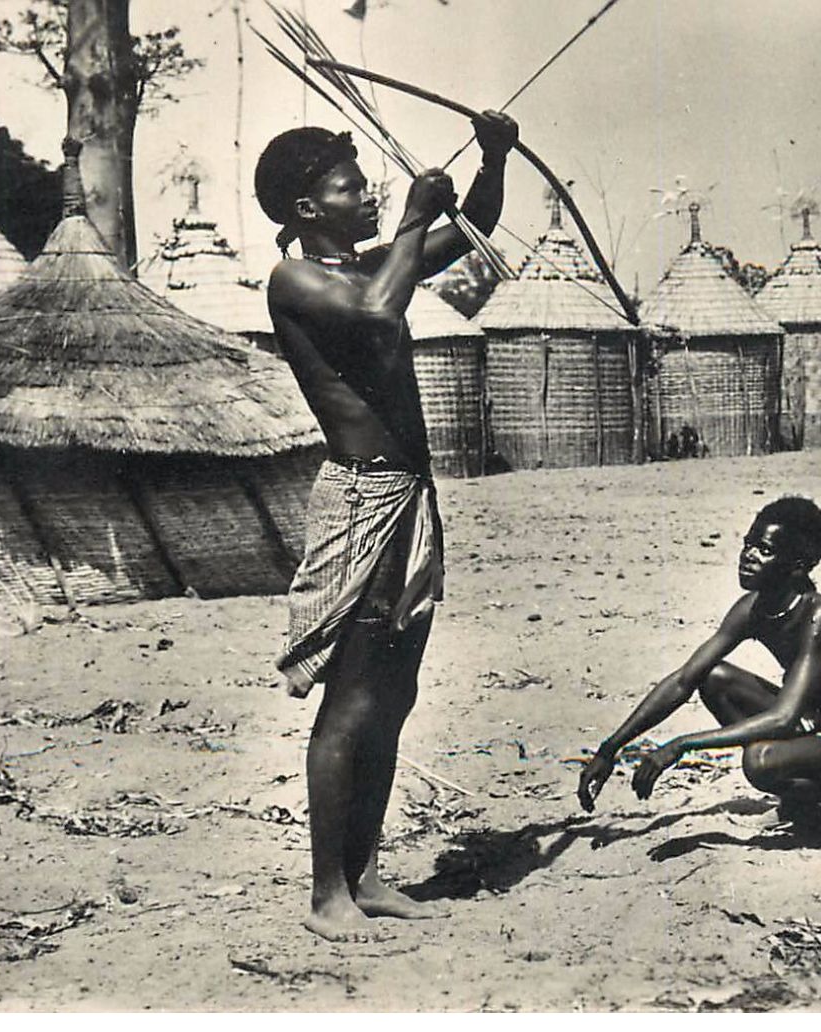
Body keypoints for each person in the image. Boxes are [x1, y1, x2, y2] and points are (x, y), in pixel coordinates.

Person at [254, 112, 518, 942]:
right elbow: (377, 313)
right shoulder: (295, 282)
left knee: (393, 697)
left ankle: (365, 875)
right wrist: (409, 216)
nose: (363, 193)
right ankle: (325, 891)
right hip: (364, 502)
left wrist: (492, 158)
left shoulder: (366, 265)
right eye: (345, 186)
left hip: (408, 497)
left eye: (364, 182)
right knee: (352, 701)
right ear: (304, 208)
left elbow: (472, 230)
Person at [577, 497, 821, 831]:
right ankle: (812, 799)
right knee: (714, 679)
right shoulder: (752, 608)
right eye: (748, 544)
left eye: (764, 550)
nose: (748, 556)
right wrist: (611, 748)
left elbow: (783, 718)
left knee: (760, 760)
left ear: (796, 565)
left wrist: (681, 744)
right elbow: (683, 681)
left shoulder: (818, 616)